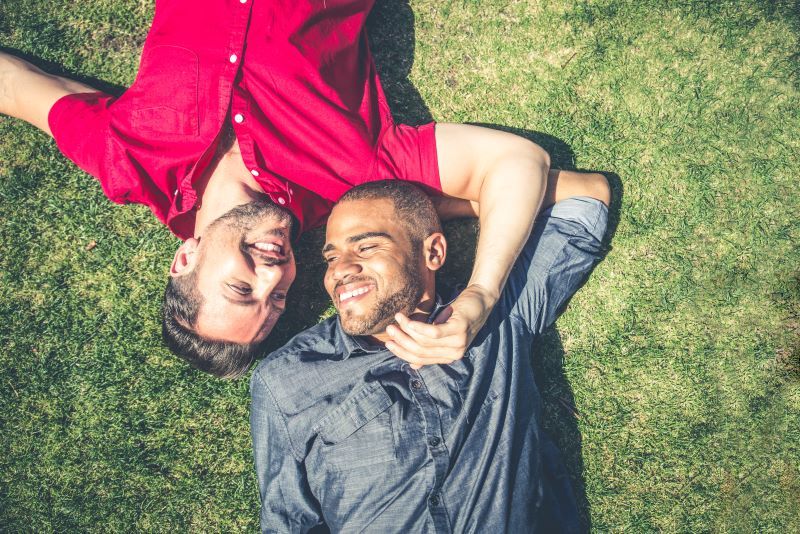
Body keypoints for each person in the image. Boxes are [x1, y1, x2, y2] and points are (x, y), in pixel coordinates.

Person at [0, 0, 565, 378]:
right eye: (277, 300)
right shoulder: (355, 178)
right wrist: (480, 294)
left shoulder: (129, 161)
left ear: (186, 258)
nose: (276, 274)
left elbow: (24, 91)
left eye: (243, 289)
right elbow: (518, 163)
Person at [250, 172, 611, 532]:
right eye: (331, 258)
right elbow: (287, 523)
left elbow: (586, 198)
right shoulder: (288, 378)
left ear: (434, 252)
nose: (340, 271)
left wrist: (476, 286)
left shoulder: (500, 317)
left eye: (366, 247)